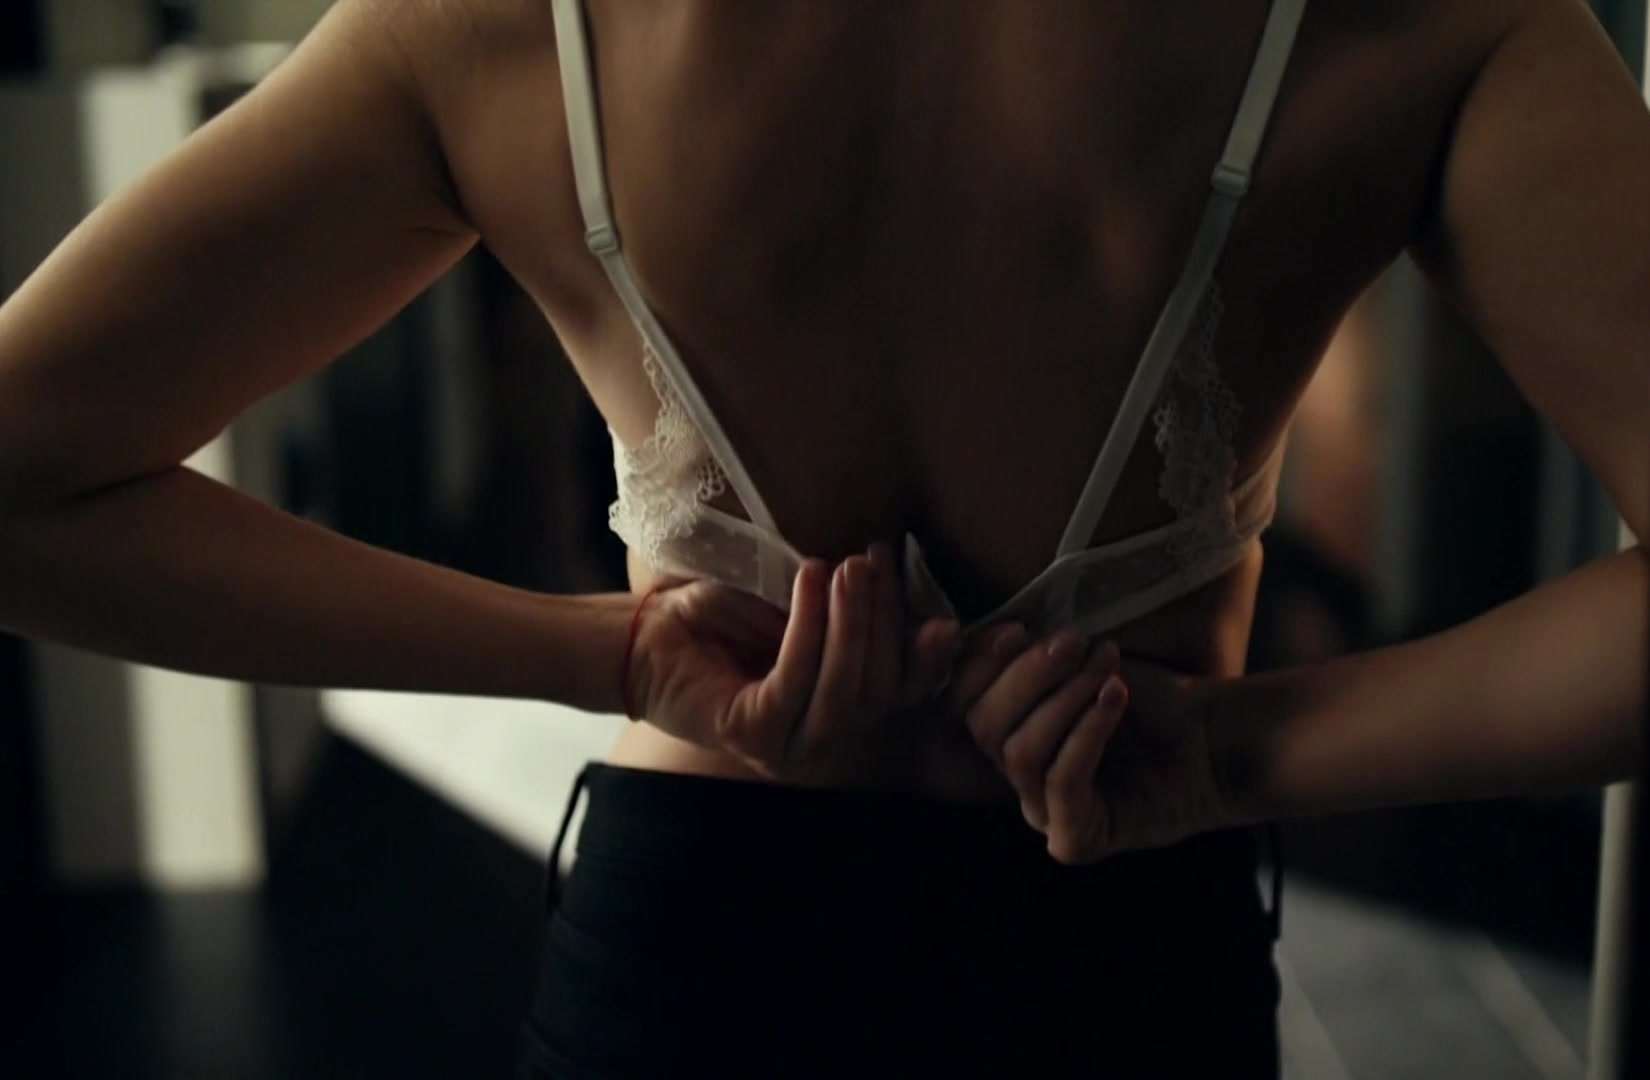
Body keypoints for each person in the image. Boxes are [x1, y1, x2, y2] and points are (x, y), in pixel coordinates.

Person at [0, 0, 1643, 1075]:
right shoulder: (1417, 22)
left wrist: (614, 660)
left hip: (688, 956)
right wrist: (1231, 753)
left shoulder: (498, 26)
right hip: (1118, 956)